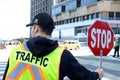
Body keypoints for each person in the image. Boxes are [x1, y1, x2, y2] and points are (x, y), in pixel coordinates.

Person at [3, 13, 103, 80]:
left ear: (36, 28)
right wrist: (97, 74)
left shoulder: (16, 50)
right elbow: (84, 77)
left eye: (32, 28)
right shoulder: (62, 55)